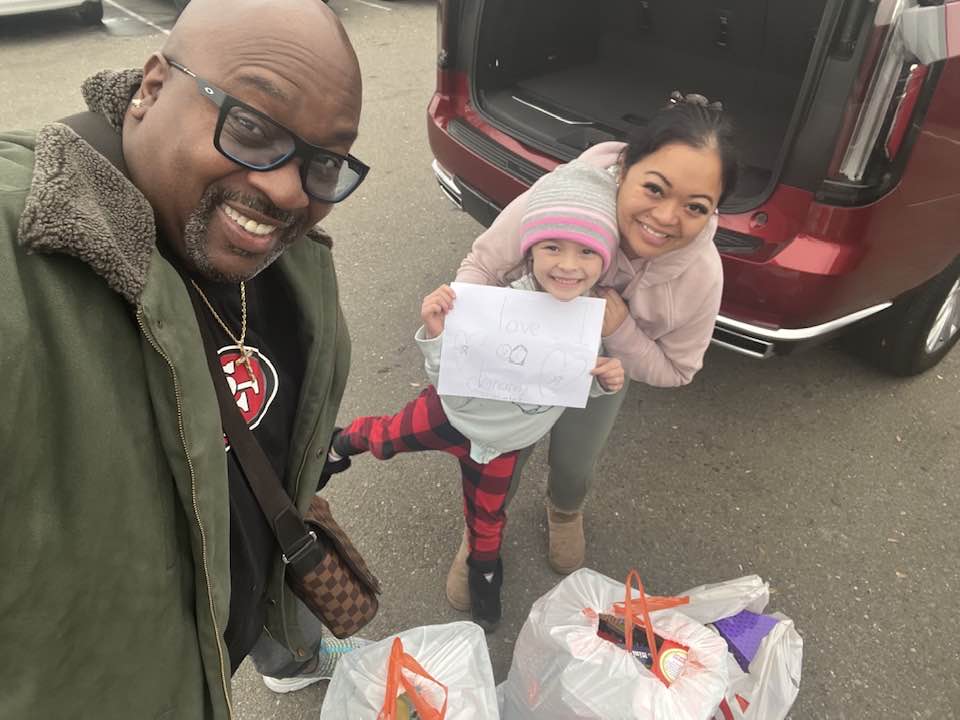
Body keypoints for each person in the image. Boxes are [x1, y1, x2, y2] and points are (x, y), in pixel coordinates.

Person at [0, 0, 369, 716]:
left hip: (205, 658)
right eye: (256, 128)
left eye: (324, 161)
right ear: (151, 87)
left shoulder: (291, 271)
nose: (291, 189)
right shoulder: (24, 248)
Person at [448, 97, 739, 596]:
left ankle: (564, 511)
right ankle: (481, 532)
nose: (667, 218)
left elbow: (678, 369)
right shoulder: (565, 196)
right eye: (654, 188)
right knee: (499, 452)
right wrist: (472, 335)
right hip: (519, 360)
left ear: (714, 211)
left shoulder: (700, 274)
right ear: (624, 168)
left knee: (575, 461)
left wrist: (622, 328)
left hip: (602, 376)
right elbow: (481, 266)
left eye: (696, 207)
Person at [326, 161, 625, 630]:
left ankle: (485, 577)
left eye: (587, 252)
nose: (568, 265)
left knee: (487, 520)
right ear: (531, 252)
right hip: (445, 413)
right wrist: (437, 330)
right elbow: (446, 371)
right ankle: (343, 442)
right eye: (552, 247)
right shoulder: (493, 305)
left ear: (605, 261)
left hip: (502, 447)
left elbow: (567, 385)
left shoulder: (587, 326)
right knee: (386, 438)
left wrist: (603, 378)